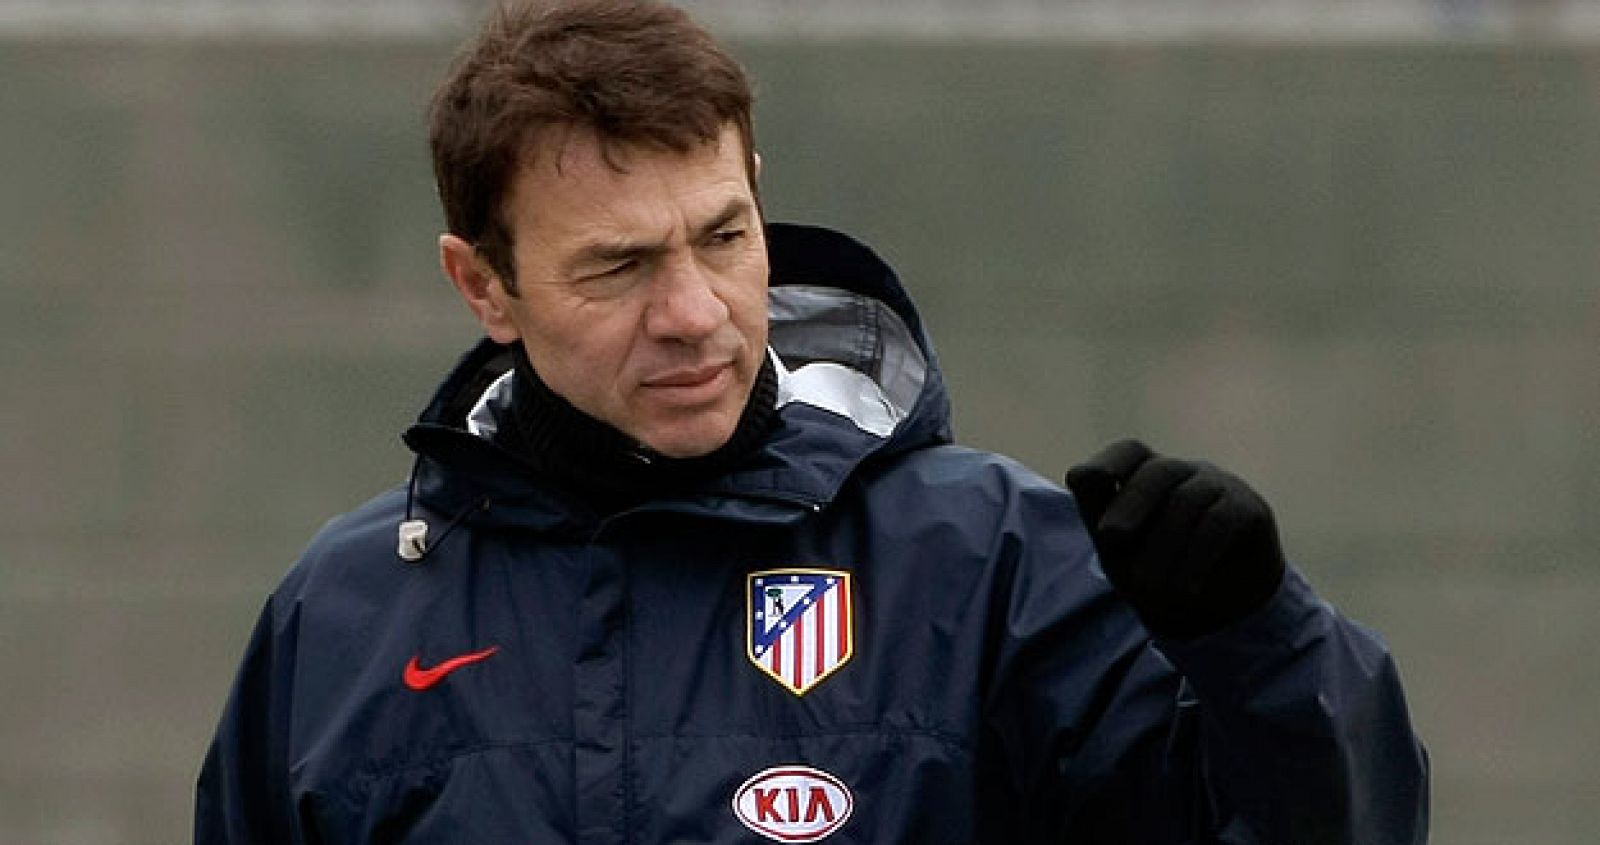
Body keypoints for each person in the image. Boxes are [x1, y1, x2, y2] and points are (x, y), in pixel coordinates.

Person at [195, 1, 1429, 842]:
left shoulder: (986, 564)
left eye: (724, 237)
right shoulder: (344, 619)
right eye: (617, 267)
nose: (694, 312)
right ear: (484, 286)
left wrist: (1256, 643)